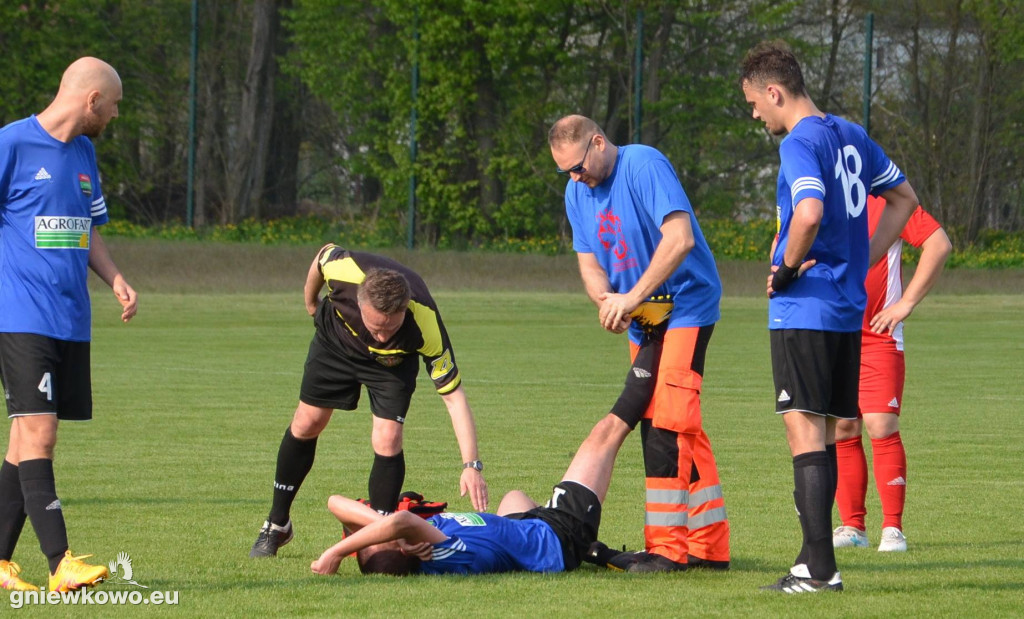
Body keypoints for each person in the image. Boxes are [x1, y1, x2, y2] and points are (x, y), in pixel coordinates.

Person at [740, 40, 918, 593]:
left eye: (754, 103)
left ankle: (820, 571)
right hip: (846, 310)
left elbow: (809, 211)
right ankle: (811, 560)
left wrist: (787, 269)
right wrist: (861, 260)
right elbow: (905, 198)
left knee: (803, 430)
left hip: (806, 306)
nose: (755, 115)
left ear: (774, 92)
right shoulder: (851, 134)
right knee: (823, 433)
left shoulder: (799, 142)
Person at [546, 114, 730, 573]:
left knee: (667, 421)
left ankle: (667, 550)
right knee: (676, 421)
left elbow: (680, 238)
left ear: (598, 142)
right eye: (565, 171)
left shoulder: (644, 165)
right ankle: (709, 546)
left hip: (686, 305)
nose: (575, 178)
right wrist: (607, 301)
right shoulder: (576, 192)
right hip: (642, 318)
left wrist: (630, 297)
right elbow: (589, 261)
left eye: (578, 167)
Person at [250, 245, 488, 558]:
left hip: (391, 365)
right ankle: (277, 523)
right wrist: (310, 302)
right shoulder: (344, 271)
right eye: (376, 327)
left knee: (388, 437)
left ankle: (381, 533)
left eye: (392, 327)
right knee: (308, 421)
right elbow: (322, 257)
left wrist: (471, 465)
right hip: (336, 344)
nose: (383, 336)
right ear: (360, 303)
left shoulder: (425, 321)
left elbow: (454, 397)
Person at [0, 57, 137, 593]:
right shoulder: (12, 144)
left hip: (70, 319)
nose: (116, 115)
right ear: (91, 100)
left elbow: (87, 227)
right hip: (20, 316)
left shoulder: (84, 153)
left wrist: (115, 278)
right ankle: (61, 563)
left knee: (22, 441)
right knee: (40, 432)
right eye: (114, 105)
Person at [310, 384, 647, 576]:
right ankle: (652, 353)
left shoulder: (414, 538)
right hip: (558, 537)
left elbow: (334, 502)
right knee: (606, 433)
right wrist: (336, 553)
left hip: (520, 525)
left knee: (513, 496)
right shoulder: (439, 551)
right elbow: (398, 521)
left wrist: (379, 532)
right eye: (378, 535)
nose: (376, 527)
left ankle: (592, 550)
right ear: (402, 545)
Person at [832, 197, 951, 552]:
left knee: (881, 424)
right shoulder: (824, 195)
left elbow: (939, 244)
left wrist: (906, 303)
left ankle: (892, 528)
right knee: (842, 426)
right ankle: (853, 527)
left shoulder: (888, 199)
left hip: (878, 336)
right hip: (832, 333)